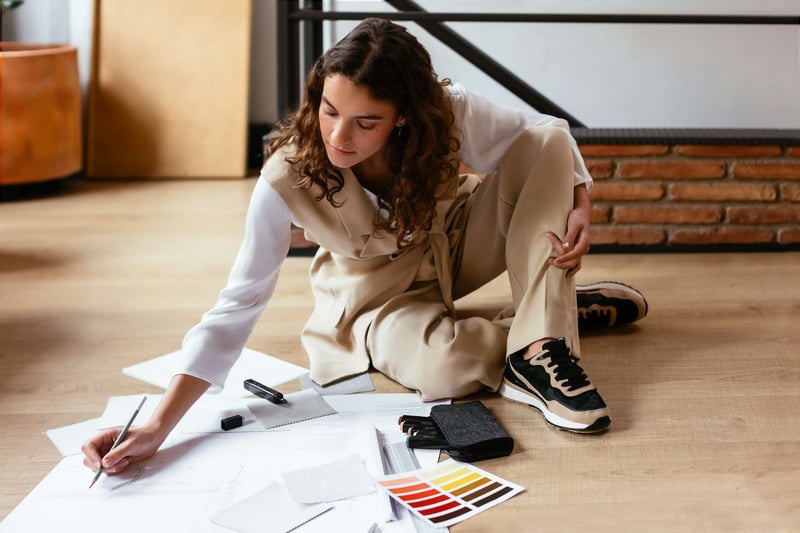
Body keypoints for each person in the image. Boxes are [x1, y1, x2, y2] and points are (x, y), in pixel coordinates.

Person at [82, 18, 647, 476]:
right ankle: (545, 317)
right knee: (451, 369)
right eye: (329, 111)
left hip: (457, 246)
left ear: (403, 117)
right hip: (379, 300)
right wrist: (157, 425)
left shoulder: (448, 113)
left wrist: (580, 206)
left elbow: (547, 134)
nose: (338, 137)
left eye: (365, 122)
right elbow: (236, 305)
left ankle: (540, 345)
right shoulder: (285, 177)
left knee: (544, 141)